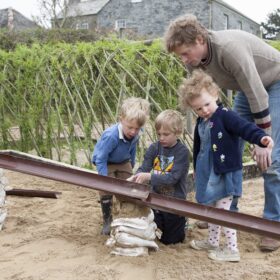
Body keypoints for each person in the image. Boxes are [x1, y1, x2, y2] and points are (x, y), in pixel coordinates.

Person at [164, 13, 280, 251]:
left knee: (271, 156)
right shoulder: (196, 61)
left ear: (199, 40)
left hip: (274, 82)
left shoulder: (229, 49)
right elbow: (198, 93)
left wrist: (261, 140)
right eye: (180, 56)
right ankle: (226, 213)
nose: (184, 60)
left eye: (185, 53)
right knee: (226, 147)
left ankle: (272, 224)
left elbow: (257, 92)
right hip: (247, 91)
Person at [178, 69, 274, 262]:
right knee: (213, 210)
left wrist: (261, 137)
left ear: (215, 95)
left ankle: (232, 249)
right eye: (198, 108)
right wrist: (196, 167)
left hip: (225, 173)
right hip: (208, 173)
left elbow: (244, 127)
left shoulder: (225, 115)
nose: (204, 110)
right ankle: (213, 242)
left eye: (206, 104)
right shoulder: (201, 121)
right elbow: (198, 147)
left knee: (224, 212)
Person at [127, 109, 190, 245]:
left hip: (175, 202)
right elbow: (144, 168)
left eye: (166, 134)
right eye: (159, 134)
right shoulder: (154, 148)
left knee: (172, 240)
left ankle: (183, 222)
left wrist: (149, 176)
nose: (161, 138)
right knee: (151, 230)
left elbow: (172, 178)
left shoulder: (182, 153)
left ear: (177, 132)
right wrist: (135, 177)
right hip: (155, 200)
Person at [92, 97, 150, 235]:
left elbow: (132, 149)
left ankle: (126, 212)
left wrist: (131, 165)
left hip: (123, 161)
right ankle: (107, 219)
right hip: (107, 162)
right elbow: (101, 158)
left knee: (131, 186)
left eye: (137, 128)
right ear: (121, 119)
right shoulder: (111, 136)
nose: (133, 132)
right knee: (106, 188)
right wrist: (104, 178)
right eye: (130, 127)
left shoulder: (135, 134)